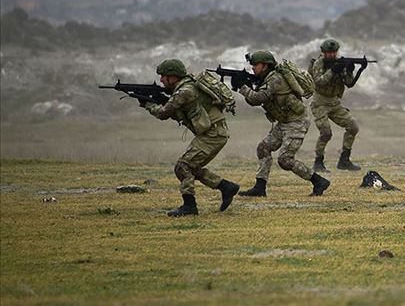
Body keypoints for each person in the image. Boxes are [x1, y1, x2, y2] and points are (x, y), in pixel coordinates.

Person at [142, 59, 239, 216]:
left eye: (163, 76)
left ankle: (189, 207)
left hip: (213, 135)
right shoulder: (187, 86)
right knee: (191, 167)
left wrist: (147, 104)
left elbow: (163, 113)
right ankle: (226, 187)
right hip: (214, 133)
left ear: (173, 77)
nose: (161, 80)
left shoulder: (184, 91)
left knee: (182, 167)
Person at [234, 50, 330, 197]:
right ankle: (260, 188)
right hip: (285, 122)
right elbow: (255, 100)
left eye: (255, 64)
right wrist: (246, 85)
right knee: (263, 148)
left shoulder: (275, 79)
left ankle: (318, 181)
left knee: (285, 160)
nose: (252, 67)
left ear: (265, 65)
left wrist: (243, 87)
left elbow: (257, 98)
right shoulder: (267, 78)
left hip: (297, 122)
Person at [308, 38, 366, 172]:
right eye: (328, 52)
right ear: (323, 52)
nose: (331, 55)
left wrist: (351, 70)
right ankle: (318, 162)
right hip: (320, 103)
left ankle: (344, 160)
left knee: (353, 127)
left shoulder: (340, 63)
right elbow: (319, 82)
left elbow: (349, 83)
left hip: (334, 102)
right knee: (326, 133)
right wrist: (333, 70)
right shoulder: (318, 64)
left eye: (334, 52)